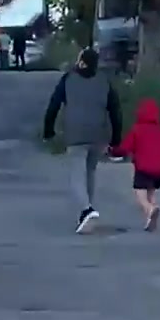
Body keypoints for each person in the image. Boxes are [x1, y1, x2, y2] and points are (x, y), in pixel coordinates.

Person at [43, 47, 122, 234]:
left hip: (75, 134)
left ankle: (87, 209)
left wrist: (48, 131)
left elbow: (54, 104)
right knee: (90, 172)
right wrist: (116, 139)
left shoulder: (68, 79)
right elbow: (115, 111)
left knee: (77, 176)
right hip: (98, 135)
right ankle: (85, 214)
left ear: (82, 61)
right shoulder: (104, 81)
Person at [110, 98, 160, 232]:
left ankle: (150, 209)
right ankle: (151, 216)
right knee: (151, 192)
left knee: (140, 192)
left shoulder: (137, 130)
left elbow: (125, 147)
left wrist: (113, 151)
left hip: (143, 167)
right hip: (159, 169)